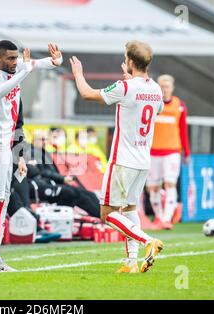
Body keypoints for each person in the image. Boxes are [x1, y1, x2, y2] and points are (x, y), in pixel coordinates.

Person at [69, 40, 164, 273]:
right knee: (130, 209)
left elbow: (87, 94)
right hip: (143, 160)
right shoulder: (155, 88)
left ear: (130, 61)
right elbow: (155, 108)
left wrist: (78, 74)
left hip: (123, 160)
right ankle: (131, 262)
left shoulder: (125, 87)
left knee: (107, 214)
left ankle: (146, 241)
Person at [0, 40, 62, 272]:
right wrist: (23, 73)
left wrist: (55, 61)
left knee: (3, 200)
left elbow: (38, 63)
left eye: (16, 58)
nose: (15, 62)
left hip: (5, 146)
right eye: (10, 59)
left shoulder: (13, 67)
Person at [146, 74, 190, 230]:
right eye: (162, 86)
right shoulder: (151, 103)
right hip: (152, 151)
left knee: (170, 183)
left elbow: (183, 129)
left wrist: (187, 152)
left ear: (172, 87)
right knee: (153, 187)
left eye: (167, 86)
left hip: (172, 151)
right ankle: (158, 216)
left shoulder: (179, 106)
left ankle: (166, 218)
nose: (164, 89)